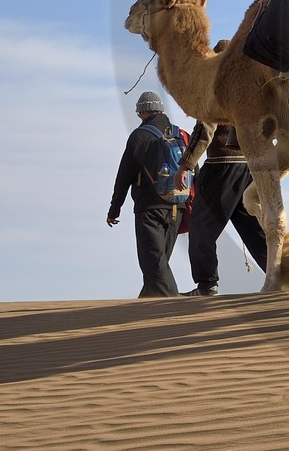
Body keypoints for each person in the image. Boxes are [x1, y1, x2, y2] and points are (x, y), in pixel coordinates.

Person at [106, 91, 187, 298]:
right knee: (158, 265)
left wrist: (114, 209)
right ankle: (146, 305)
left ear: (142, 112)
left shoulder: (139, 136)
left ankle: (177, 306)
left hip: (150, 208)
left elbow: (124, 176)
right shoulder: (181, 134)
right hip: (177, 207)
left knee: (153, 263)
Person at [179, 121, 267, 297]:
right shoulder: (253, 93)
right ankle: (286, 275)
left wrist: (186, 164)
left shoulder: (215, 93)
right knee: (256, 231)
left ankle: (207, 284)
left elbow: (205, 127)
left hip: (221, 165)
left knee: (200, 228)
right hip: (252, 167)